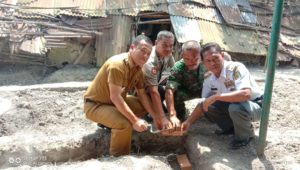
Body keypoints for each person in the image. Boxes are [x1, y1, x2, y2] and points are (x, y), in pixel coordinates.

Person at [84, 35, 165, 156]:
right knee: (125, 124)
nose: (145, 56)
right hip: (96, 106)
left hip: (114, 103)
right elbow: (115, 97)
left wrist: (154, 116)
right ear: (132, 47)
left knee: (143, 104)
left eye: (148, 53)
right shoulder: (117, 65)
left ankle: (110, 121)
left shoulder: (138, 68)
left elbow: (142, 95)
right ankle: (119, 158)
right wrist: (135, 120)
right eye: (142, 51)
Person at [181, 42, 263, 149]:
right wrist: (188, 122)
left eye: (215, 58)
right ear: (203, 63)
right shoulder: (209, 78)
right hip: (235, 103)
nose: (212, 63)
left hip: (256, 105)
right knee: (208, 106)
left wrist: (216, 97)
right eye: (208, 61)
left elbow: (245, 94)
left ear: (222, 56)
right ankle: (230, 128)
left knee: (235, 108)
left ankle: (245, 136)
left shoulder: (236, 68)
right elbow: (203, 104)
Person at [165, 40, 206, 126]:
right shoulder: (178, 68)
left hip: (204, 90)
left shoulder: (207, 61)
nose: (192, 62)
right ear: (182, 56)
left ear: (200, 56)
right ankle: (179, 114)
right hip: (186, 92)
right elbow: (169, 91)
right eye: (187, 59)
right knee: (177, 94)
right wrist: (172, 114)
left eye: (195, 58)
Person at [142, 30, 175, 128]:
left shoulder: (168, 55)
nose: (168, 49)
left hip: (155, 85)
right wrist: (162, 117)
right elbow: (153, 91)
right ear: (156, 43)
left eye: (171, 45)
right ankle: (146, 112)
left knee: (173, 88)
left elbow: (173, 75)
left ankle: (160, 108)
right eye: (164, 45)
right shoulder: (150, 60)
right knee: (159, 90)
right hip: (140, 91)